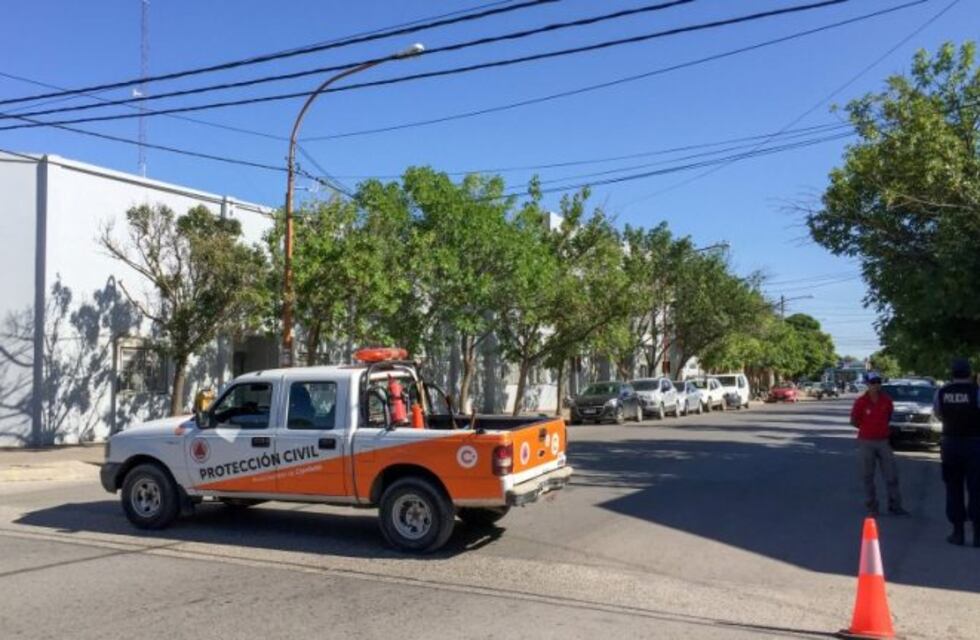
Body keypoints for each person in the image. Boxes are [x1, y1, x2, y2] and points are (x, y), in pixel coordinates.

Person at [933, 358, 980, 547]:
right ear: (969, 373)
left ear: (952, 373)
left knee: (953, 488)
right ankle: (978, 535)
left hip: (950, 443)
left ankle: (958, 533)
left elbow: (938, 414)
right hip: (975, 444)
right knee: (977, 489)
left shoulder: (942, 392)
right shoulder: (977, 392)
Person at [849, 373, 908, 516]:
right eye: (873, 382)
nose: (876, 385)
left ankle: (895, 506)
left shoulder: (886, 400)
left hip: (883, 441)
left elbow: (888, 416)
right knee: (867, 476)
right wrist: (867, 428)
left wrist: (880, 429)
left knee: (891, 475)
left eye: (878, 382)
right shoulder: (861, 402)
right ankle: (872, 507)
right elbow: (854, 421)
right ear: (867, 384)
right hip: (866, 441)